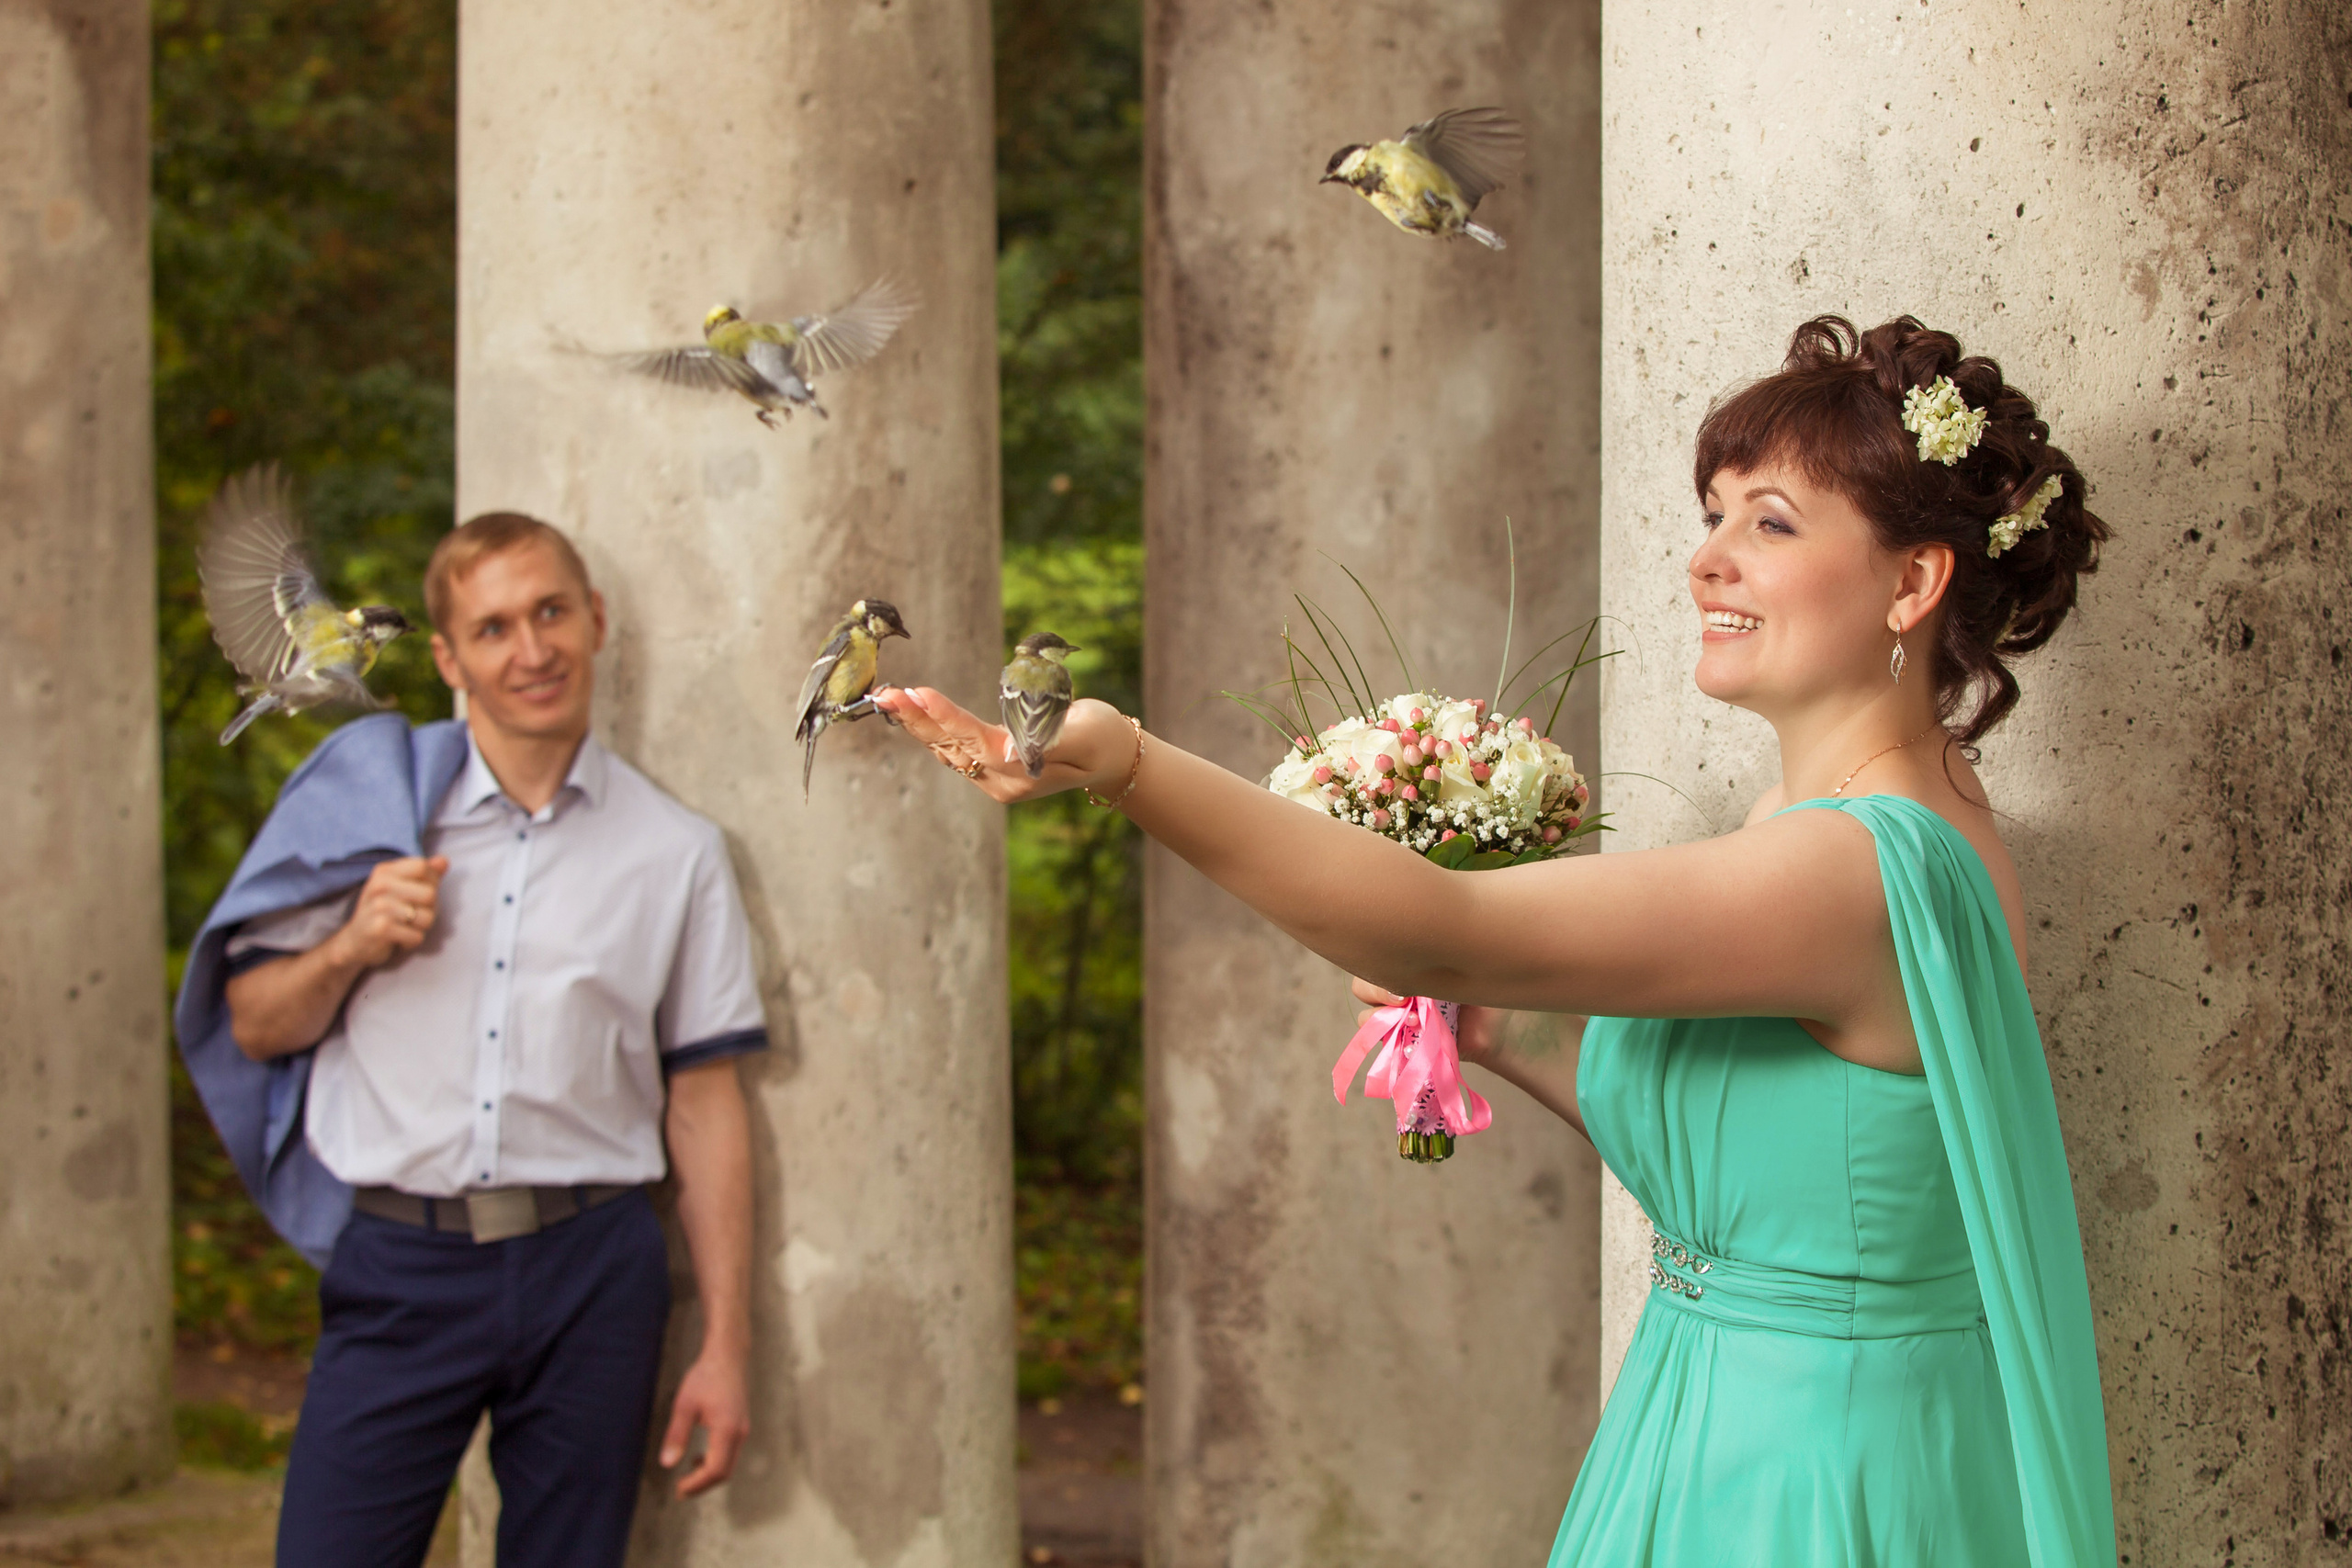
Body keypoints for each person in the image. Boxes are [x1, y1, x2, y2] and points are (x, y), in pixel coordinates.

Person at [880, 316, 2118, 1564]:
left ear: (1913, 582)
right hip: (1721, 1413)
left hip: (1816, 1467)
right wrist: (1492, 1029)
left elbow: (1441, 921)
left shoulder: (1851, 864)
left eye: (1771, 523)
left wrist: (1118, 754)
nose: (1707, 561)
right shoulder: (1847, 821)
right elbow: (1777, 1173)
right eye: (1713, 514)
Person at [177, 513, 765, 1568]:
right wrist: (351, 943)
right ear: (448, 659)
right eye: (492, 628)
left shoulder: (675, 852)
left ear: (594, 620)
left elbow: (704, 1098)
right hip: (402, 1261)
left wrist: (727, 1343)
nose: (530, 650)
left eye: (549, 613)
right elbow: (257, 1024)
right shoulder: (373, 810)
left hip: (595, 1269)